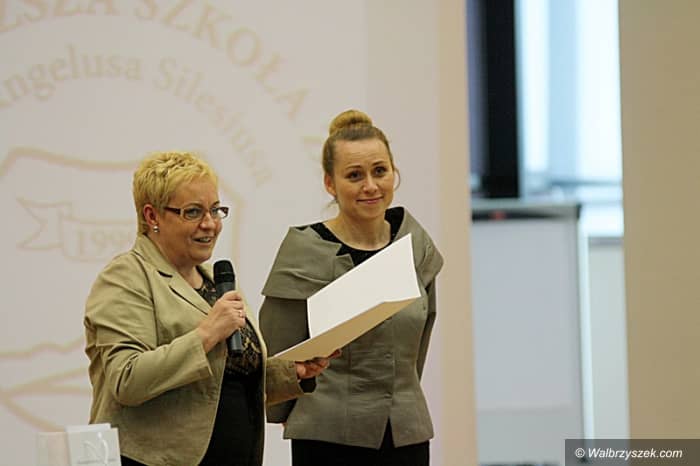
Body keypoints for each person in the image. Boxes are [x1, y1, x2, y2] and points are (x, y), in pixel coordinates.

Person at [83, 151, 334, 466]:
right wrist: (206, 334)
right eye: (193, 212)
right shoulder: (126, 276)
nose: (210, 224)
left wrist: (292, 372)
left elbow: (220, 385)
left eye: (215, 210)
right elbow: (127, 379)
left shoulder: (217, 281)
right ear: (152, 216)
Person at [259, 109, 444, 466]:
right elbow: (278, 352)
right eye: (355, 175)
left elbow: (418, 346)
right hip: (327, 437)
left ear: (394, 174)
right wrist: (282, 409)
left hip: (406, 433)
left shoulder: (415, 246)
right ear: (330, 184)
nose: (370, 186)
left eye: (380, 171)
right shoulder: (304, 251)